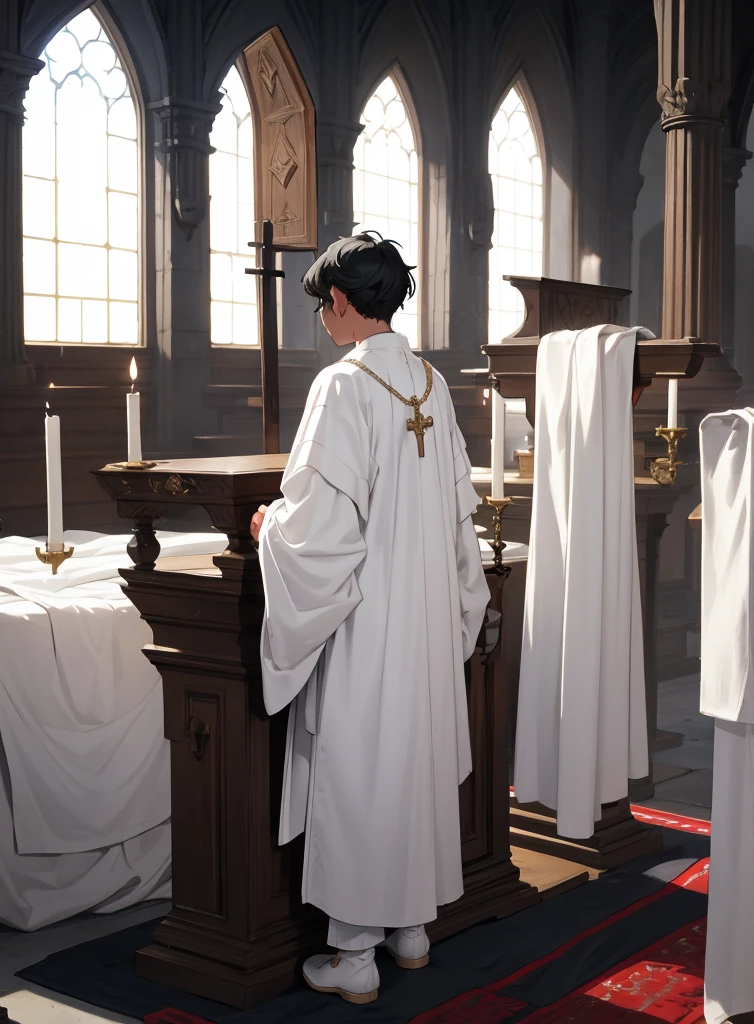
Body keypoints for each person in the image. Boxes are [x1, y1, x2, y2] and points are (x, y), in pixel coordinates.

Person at [250, 231, 491, 1005]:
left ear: (345, 302)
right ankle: (410, 930)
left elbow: (322, 529)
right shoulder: (431, 382)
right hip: (420, 619)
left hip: (363, 622)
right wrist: (456, 613)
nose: (323, 318)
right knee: (409, 764)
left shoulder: (342, 386)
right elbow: (460, 520)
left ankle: (353, 955)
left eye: (324, 304)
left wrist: (270, 533)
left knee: (357, 769)